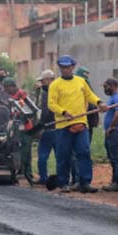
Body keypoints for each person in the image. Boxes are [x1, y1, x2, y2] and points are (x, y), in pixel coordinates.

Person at [47, 55, 106, 194]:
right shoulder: (55, 85)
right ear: (60, 68)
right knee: (64, 155)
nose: (65, 70)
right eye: (63, 67)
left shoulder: (81, 81)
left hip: (81, 123)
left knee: (84, 152)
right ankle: (64, 183)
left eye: (68, 67)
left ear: (73, 67)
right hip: (63, 126)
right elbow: (51, 104)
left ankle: (85, 182)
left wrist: (99, 103)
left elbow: (90, 95)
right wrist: (63, 112)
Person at [4, 77, 35, 183]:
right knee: (18, 150)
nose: (6, 91)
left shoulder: (21, 94)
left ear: (12, 86)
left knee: (26, 151)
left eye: (7, 88)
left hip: (25, 127)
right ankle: (22, 171)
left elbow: (25, 110)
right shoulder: (12, 96)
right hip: (17, 127)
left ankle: (27, 173)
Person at [101, 78, 118, 192]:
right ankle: (114, 180)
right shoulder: (112, 98)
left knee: (116, 158)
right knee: (112, 157)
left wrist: (111, 127)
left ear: (113, 86)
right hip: (110, 133)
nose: (105, 89)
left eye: (106, 86)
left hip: (114, 132)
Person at [35, 69, 57, 186]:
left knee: (43, 154)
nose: (42, 83)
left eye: (43, 81)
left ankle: (43, 177)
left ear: (49, 80)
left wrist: (41, 126)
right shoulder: (59, 90)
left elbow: (46, 112)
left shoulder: (47, 93)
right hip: (59, 127)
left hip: (49, 128)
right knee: (61, 155)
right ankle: (63, 178)